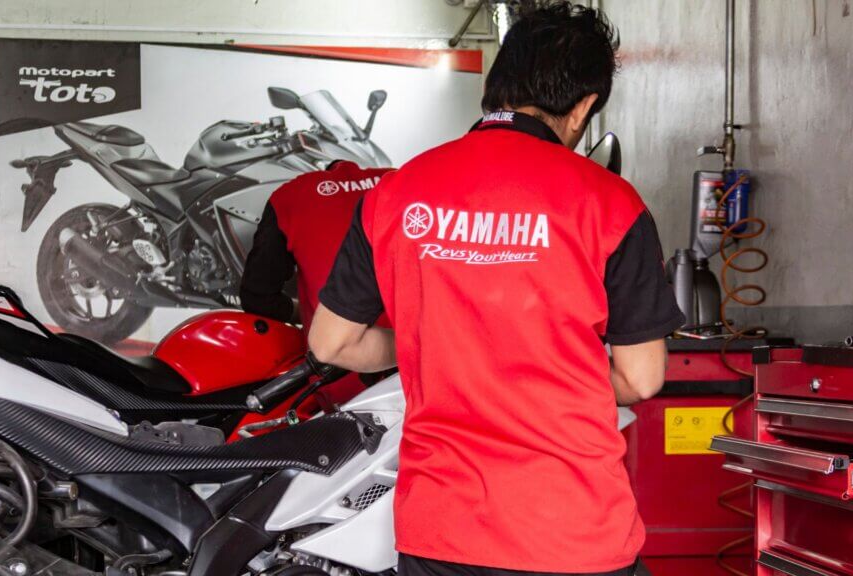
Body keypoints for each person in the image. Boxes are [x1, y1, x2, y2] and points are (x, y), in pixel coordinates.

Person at [308, 3, 683, 576]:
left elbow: (331, 343)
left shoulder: (395, 194)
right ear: (583, 109)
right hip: (571, 529)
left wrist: (432, 352)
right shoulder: (610, 203)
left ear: (496, 87)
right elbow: (641, 377)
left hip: (441, 533)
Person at [239, 160, 393, 330]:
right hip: (418, 346)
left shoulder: (290, 195)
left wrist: (305, 315)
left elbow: (256, 298)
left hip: (337, 347)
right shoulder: (400, 178)